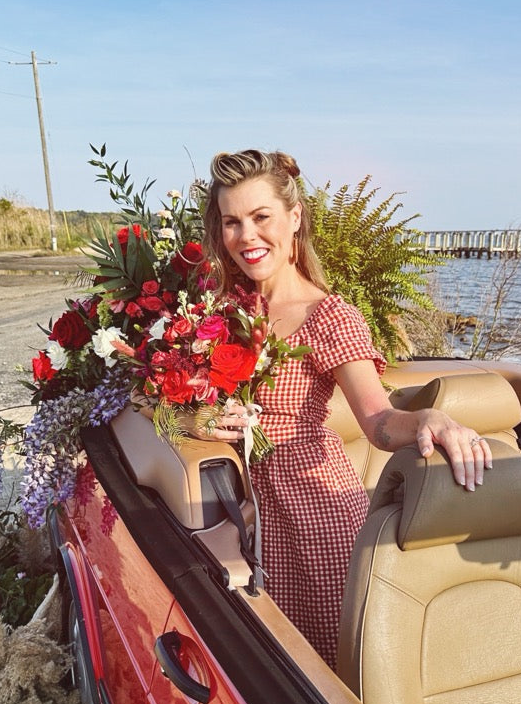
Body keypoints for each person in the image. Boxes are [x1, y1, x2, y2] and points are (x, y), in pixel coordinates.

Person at [200, 148, 492, 669]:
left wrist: (429, 419)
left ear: (294, 218)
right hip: (247, 508)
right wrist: (197, 418)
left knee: (345, 668)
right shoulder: (217, 310)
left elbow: (377, 422)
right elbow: (175, 396)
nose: (247, 236)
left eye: (261, 217)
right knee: (277, 669)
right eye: (232, 222)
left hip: (316, 515)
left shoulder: (330, 316)